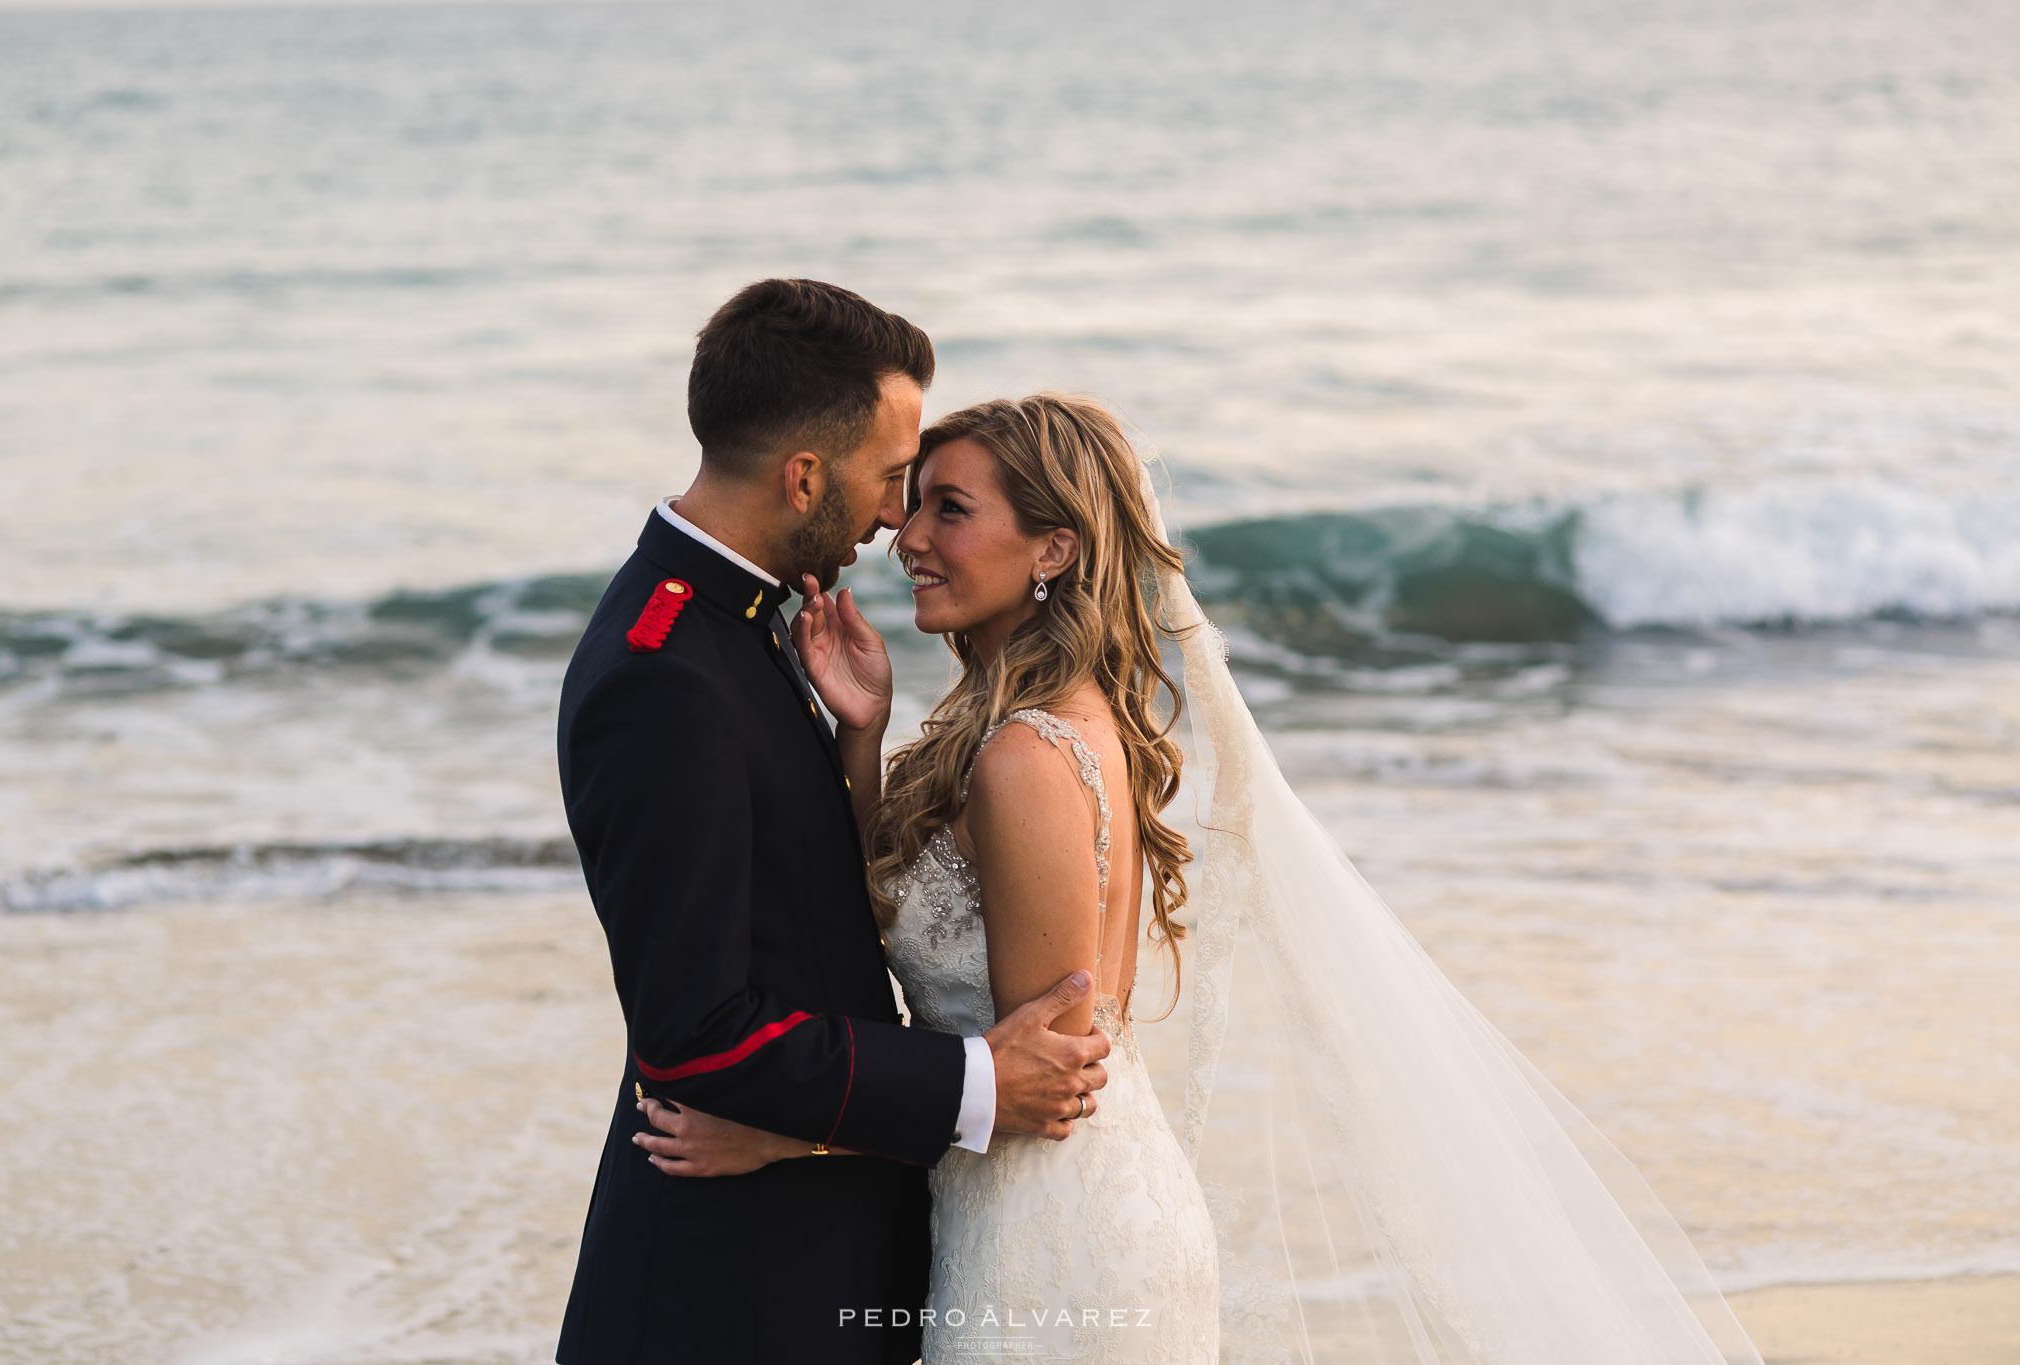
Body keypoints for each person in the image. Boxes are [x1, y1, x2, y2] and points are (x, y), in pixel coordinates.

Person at [647, 390, 1769, 1365]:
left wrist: (791, 1135)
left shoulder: (1026, 755)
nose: (908, 536)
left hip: (1058, 1248)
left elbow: (1048, 1084)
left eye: (951, 507)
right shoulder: (1041, 725)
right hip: (1043, 1224)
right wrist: (861, 741)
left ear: (1052, 548)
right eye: (916, 499)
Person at [553, 282, 1113, 1365]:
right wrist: (976, 1084)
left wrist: (857, 747)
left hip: (814, 1251)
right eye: (891, 479)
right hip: (733, 1292)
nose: (893, 519)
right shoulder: (665, 672)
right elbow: (697, 1031)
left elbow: (804, 923)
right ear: (804, 474)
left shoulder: (740, 624)